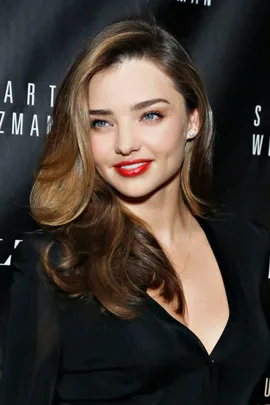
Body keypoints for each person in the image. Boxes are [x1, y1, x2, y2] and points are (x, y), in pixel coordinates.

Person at [2, 18, 270, 405]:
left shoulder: (249, 244)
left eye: (150, 115)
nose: (125, 143)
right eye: (102, 122)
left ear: (192, 121)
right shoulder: (54, 268)